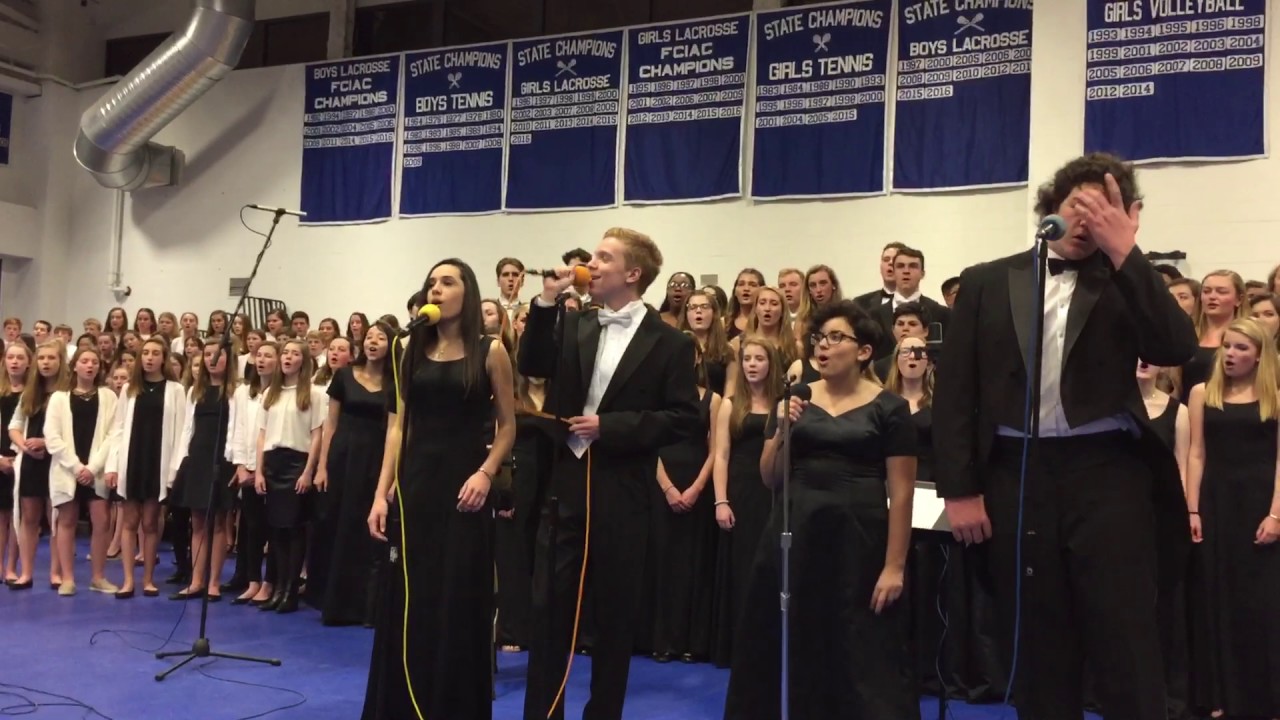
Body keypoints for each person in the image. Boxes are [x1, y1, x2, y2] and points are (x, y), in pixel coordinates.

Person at [932, 152, 1198, 720]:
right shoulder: (985, 280)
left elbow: (1176, 348)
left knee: (1123, 632)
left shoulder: (1129, 278)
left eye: (1105, 211)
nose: (1088, 221)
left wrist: (1125, 251)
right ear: (1050, 210)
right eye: (1079, 206)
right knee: (1037, 635)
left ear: (1128, 217)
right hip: (1015, 470)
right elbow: (955, 392)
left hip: (1106, 473)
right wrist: (960, 489)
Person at [519, 228, 700, 720]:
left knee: (615, 617)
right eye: (593, 257)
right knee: (549, 610)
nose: (592, 265)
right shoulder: (576, 324)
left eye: (604, 258)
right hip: (566, 485)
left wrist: (613, 426)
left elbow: (685, 419)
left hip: (624, 489)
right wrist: (545, 302)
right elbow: (532, 363)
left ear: (633, 274)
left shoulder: (670, 343)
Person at [723, 301, 919, 720]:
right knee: (789, 638)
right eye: (818, 338)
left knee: (859, 646)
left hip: (859, 541)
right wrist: (781, 430)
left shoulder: (890, 408)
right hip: (796, 532)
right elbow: (770, 478)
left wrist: (894, 566)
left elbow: (901, 493)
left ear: (864, 351)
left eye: (835, 337)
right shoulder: (797, 398)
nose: (822, 347)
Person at [364, 259, 516, 720]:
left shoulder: (490, 351)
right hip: (416, 490)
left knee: (456, 598)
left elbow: (509, 426)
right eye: (431, 282)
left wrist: (487, 472)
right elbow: (397, 426)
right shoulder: (409, 349)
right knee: (410, 597)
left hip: (465, 490)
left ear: (467, 293)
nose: (436, 289)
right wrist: (381, 490)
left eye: (447, 282)